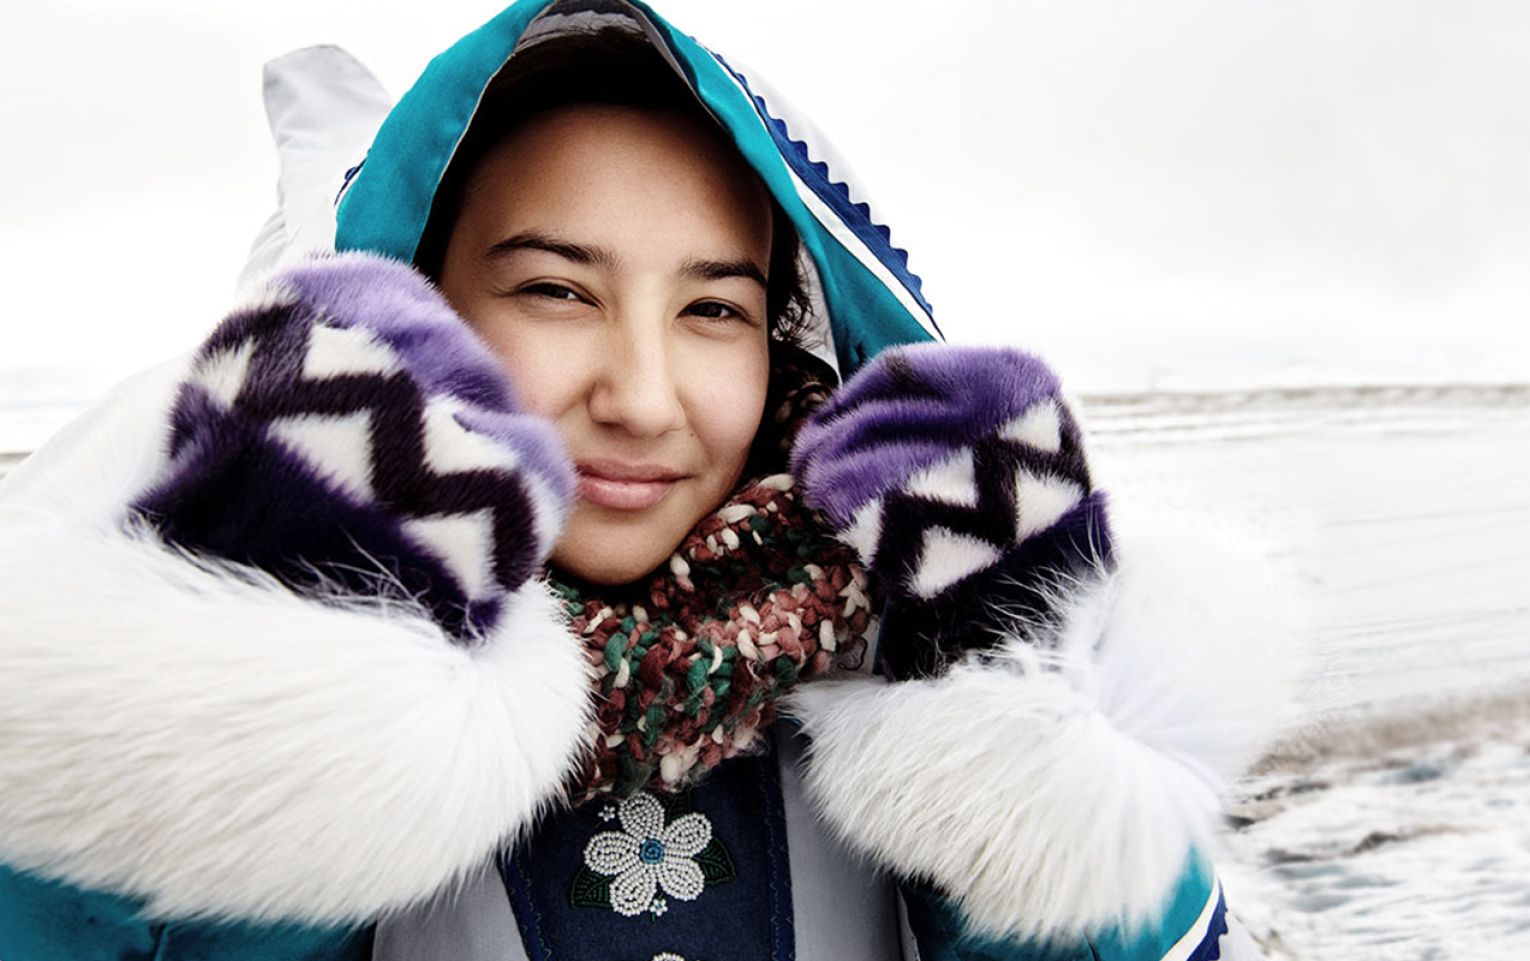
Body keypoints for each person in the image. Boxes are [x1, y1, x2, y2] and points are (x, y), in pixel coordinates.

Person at [0, 2, 1298, 959]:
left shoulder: (895, 635)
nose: (640, 391)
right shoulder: (314, 622)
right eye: (556, 289)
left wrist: (1030, 710)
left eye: (714, 309)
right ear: (413, 316)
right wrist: (245, 685)